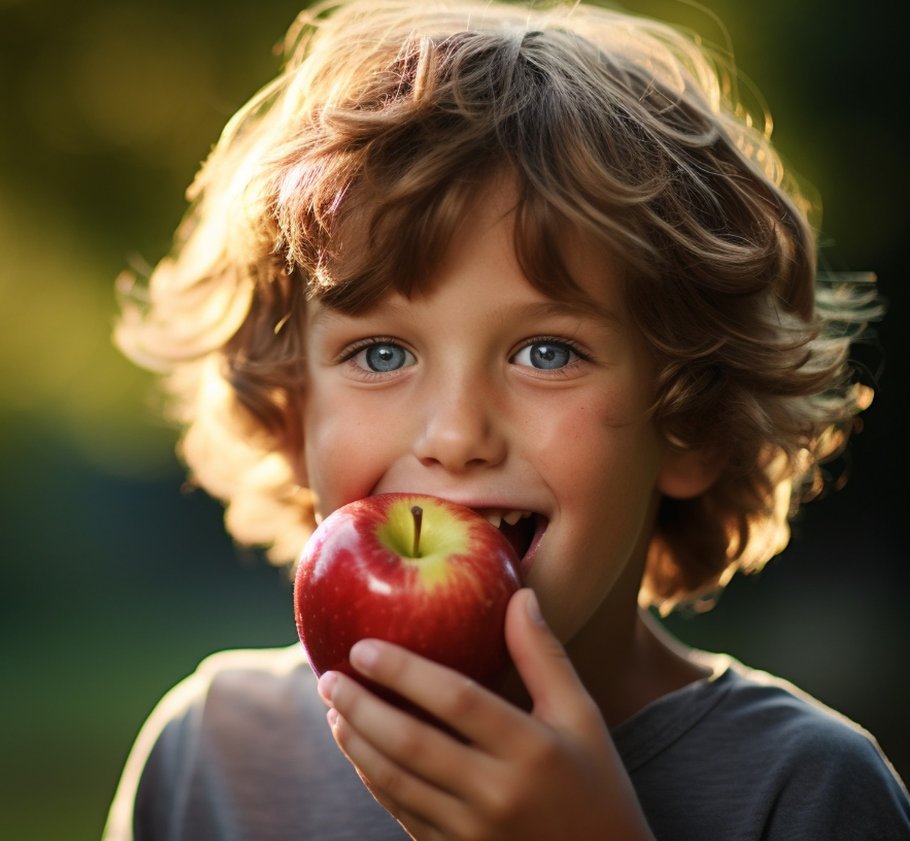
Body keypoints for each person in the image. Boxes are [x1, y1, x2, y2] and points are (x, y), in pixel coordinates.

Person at [103, 1, 910, 838]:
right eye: (381, 354)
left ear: (692, 422)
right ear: (290, 412)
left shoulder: (807, 792)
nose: (454, 436)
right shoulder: (214, 757)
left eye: (547, 353)